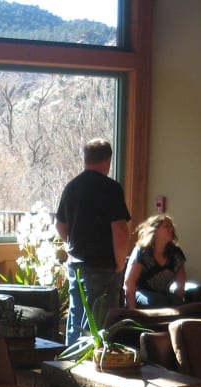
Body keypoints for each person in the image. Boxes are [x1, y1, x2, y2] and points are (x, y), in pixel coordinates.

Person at [55, 138, 131, 344]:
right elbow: (120, 231)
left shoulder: (71, 187)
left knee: (76, 316)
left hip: (76, 264)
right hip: (102, 265)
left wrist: (73, 243)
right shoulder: (111, 188)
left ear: (86, 159)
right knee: (101, 323)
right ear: (108, 160)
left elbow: (60, 225)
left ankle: (71, 360)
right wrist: (120, 263)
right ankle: (97, 361)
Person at [124, 214, 187, 308]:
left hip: (162, 294)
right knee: (159, 301)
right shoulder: (142, 251)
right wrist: (132, 312)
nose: (171, 229)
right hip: (139, 293)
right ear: (154, 230)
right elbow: (129, 283)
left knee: (176, 302)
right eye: (166, 226)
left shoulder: (176, 253)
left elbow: (180, 283)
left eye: (172, 226)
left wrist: (177, 305)